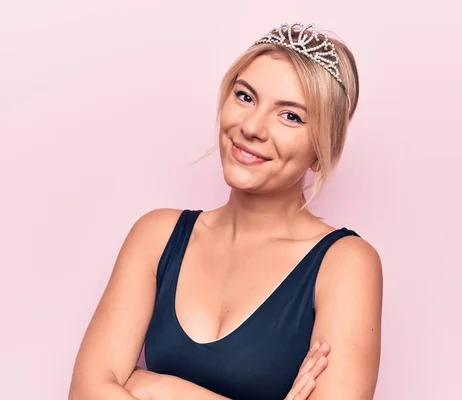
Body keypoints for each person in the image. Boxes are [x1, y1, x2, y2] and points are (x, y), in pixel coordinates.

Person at [68, 22, 383, 400]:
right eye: (245, 96)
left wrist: (152, 387)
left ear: (321, 152)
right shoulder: (157, 236)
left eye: (291, 116)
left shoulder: (345, 263)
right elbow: (85, 393)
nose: (251, 126)